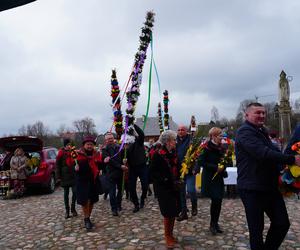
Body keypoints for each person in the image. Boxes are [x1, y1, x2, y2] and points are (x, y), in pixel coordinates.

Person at [235, 102, 300, 250]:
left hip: (269, 186)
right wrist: (292, 160)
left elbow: (274, 153)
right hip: (252, 188)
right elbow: (262, 153)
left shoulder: (262, 131)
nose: (262, 115)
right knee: (256, 230)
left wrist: (286, 168)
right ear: (247, 115)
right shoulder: (244, 132)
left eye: (264, 113)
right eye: (257, 113)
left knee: (282, 223)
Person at [195, 127, 229, 235]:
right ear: (213, 136)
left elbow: (225, 161)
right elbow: (201, 162)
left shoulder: (222, 147)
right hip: (210, 177)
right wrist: (215, 167)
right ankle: (212, 224)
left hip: (218, 177)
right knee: (215, 200)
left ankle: (215, 223)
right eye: (219, 135)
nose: (221, 137)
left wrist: (224, 166)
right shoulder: (206, 147)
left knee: (218, 201)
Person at [150, 130, 181, 249]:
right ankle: (167, 236)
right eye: (174, 140)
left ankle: (171, 234)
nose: (175, 142)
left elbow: (177, 167)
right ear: (168, 141)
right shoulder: (158, 154)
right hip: (163, 188)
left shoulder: (173, 152)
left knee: (174, 211)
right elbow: (152, 172)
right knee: (168, 213)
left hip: (174, 186)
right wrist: (165, 179)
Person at [75, 136, 102, 230]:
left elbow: (100, 165)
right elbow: (70, 164)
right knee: (85, 201)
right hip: (82, 181)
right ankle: (86, 219)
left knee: (92, 200)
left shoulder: (96, 154)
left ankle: (88, 218)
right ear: (84, 145)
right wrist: (75, 168)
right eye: (88, 144)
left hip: (93, 180)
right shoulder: (78, 154)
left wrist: (104, 164)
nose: (89, 146)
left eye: (91, 144)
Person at [102, 132, 127, 216]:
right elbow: (110, 161)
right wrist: (120, 166)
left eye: (111, 138)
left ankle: (118, 204)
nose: (110, 140)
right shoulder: (104, 150)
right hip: (111, 173)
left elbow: (123, 156)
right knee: (112, 193)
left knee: (121, 190)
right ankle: (114, 209)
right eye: (108, 139)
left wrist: (124, 160)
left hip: (120, 173)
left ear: (113, 138)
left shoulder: (119, 147)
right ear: (105, 140)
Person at [176, 125, 198, 221]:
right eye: (179, 130)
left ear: (186, 131)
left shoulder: (191, 140)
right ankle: (184, 212)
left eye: (182, 130)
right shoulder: (175, 140)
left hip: (190, 170)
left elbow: (197, 155)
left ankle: (194, 205)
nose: (180, 131)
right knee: (181, 192)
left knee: (191, 190)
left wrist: (196, 168)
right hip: (179, 171)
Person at [126, 124, 149, 213]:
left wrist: (133, 124)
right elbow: (123, 157)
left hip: (142, 167)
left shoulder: (139, 142)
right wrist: (124, 160)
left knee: (145, 186)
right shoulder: (125, 146)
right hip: (132, 168)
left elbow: (142, 134)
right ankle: (136, 204)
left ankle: (142, 198)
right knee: (131, 187)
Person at [56, 138, 78, 219]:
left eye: (70, 145)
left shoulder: (73, 152)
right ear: (65, 145)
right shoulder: (60, 153)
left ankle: (73, 208)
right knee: (66, 194)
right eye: (68, 145)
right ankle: (67, 211)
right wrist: (58, 177)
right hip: (64, 176)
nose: (69, 146)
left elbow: (77, 161)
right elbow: (57, 165)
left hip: (73, 175)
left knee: (75, 192)